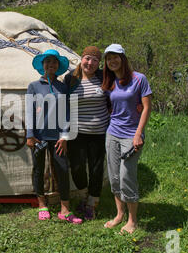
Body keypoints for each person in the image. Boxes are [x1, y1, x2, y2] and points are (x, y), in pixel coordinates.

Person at [26, 49, 82, 224]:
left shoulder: (62, 87)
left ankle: (64, 208)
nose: (51, 65)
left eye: (54, 62)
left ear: (58, 66)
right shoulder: (34, 86)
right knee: (38, 169)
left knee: (62, 169)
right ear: (43, 65)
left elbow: (67, 113)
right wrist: (29, 135)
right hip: (39, 137)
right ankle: (42, 204)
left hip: (57, 137)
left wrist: (65, 136)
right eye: (48, 62)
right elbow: (29, 112)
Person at [101, 44, 152, 234]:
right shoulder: (110, 81)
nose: (112, 61)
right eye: (108, 58)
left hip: (132, 134)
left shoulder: (139, 79)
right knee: (114, 177)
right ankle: (119, 214)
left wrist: (139, 133)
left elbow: (146, 107)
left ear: (123, 58)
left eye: (116, 57)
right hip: (112, 133)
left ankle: (132, 220)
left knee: (126, 176)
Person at [63, 46, 110, 220]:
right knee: (77, 167)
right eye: (87, 58)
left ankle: (92, 203)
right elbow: (63, 103)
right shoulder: (71, 79)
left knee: (97, 169)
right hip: (76, 132)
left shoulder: (103, 78)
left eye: (95, 60)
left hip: (98, 132)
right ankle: (83, 195)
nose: (90, 63)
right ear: (81, 59)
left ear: (99, 63)